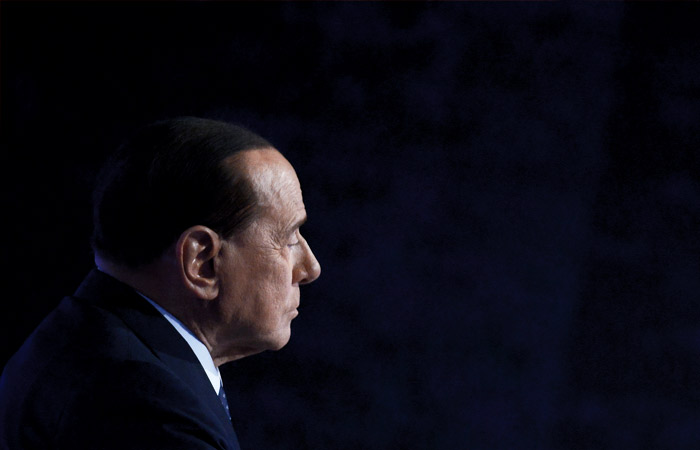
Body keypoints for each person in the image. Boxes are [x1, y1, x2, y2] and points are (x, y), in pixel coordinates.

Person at [0, 117, 321, 449]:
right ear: (202, 262)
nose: (311, 268)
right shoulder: (146, 409)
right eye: (288, 239)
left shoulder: (80, 337)